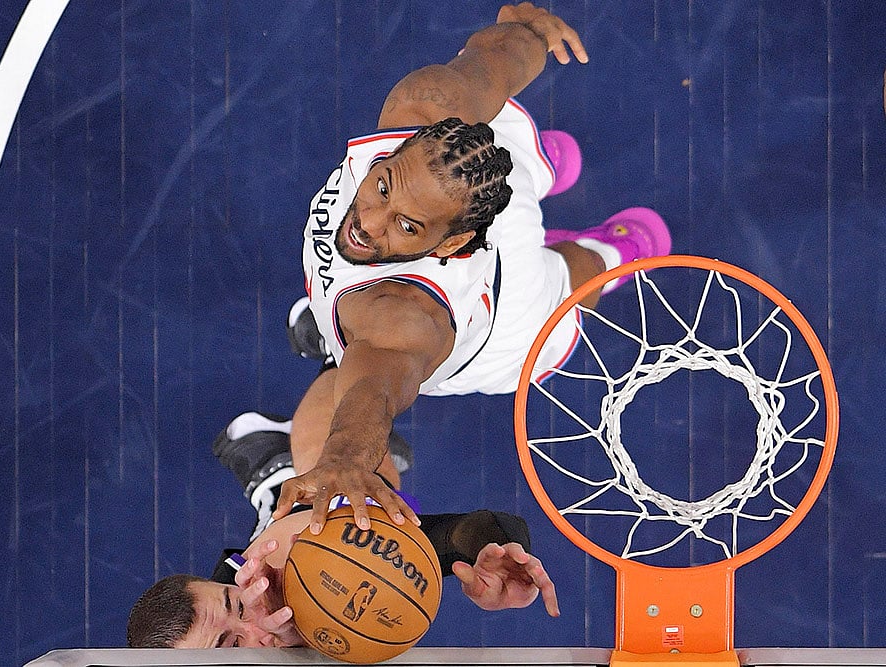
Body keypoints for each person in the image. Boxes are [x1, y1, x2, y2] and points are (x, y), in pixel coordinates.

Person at [281, 2, 672, 534]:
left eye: (406, 226)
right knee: (481, 146)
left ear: (452, 244)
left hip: (506, 315)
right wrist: (522, 28)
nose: (368, 222)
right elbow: (496, 59)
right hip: (453, 201)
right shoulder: (421, 110)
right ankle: (535, 165)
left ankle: (609, 252)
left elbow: (371, 389)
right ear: (404, 146)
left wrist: (348, 455)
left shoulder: (406, 319)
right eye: (382, 186)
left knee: (565, 290)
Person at [126, 413, 559, 648]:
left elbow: (458, 533)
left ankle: (327, 340)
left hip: (320, 514)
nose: (256, 627)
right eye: (233, 647)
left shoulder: (291, 567)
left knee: (351, 446)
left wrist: (495, 549)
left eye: (238, 606)